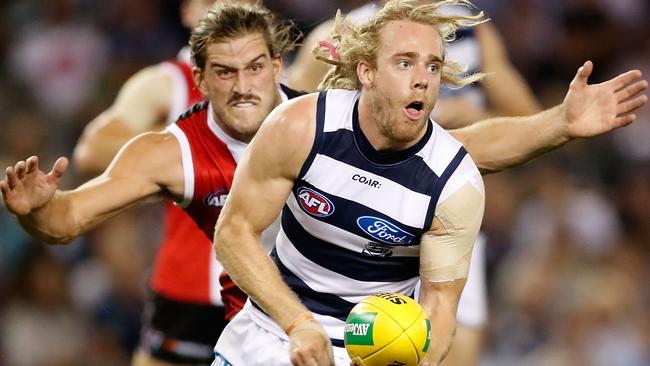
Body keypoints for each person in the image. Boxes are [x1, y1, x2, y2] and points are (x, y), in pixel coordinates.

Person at [1, 1, 647, 365]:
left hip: (345, 331)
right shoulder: (181, 146)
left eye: (257, 67)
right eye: (224, 72)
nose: (244, 85)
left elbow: (464, 149)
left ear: (278, 67)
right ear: (197, 76)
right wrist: (37, 211)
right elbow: (73, 206)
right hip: (220, 320)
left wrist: (558, 126)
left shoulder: (310, 120)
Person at [209, 0, 647, 365]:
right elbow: (232, 231)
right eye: (404, 63)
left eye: (434, 67)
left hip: (367, 351)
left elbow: (438, 311)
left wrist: (560, 123)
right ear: (365, 72)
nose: (422, 77)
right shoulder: (302, 122)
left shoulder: (455, 183)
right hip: (270, 330)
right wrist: (298, 323)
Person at [285, 2, 542, 365]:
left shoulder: (469, 28)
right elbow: (288, 122)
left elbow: (529, 122)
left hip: (447, 220)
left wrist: (471, 118)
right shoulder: (344, 34)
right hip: (353, 229)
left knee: (454, 354)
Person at [72, 1, 254, 365]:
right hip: (187, 287)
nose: (224, 10)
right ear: (188, 13)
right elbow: (92, 149)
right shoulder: (169, 81)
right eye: (211, 2)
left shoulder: (283, 83)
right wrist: (185, 147)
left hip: (265, 291)